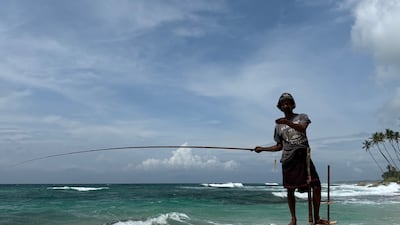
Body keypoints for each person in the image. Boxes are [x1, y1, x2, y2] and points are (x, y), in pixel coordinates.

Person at [254, 93, 328, 225]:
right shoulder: (278, 127)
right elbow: (279, 146)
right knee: (290, 190)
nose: (286, 105)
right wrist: (262, 149)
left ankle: (317, 218)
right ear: (280, 107)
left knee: (316, 186)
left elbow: (302, 129)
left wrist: (287, 122)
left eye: (288, 103)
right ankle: (293, 219)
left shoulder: (302, 117)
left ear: (293, 105)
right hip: (289, 159)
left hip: (303, 157)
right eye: (283, 104)